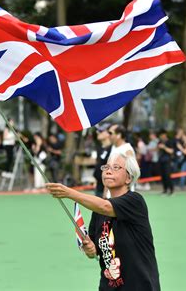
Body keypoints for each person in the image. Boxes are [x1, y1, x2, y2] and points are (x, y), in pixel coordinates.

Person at [46, 153, 161, 290]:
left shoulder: (135, 201)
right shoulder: (98, 212)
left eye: (116, 167)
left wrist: (70, 193)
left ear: (129, 178)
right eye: (106, 167)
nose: (108, 171)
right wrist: (90, 249)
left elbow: (105, 207)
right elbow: (94, 251)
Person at [93, 123, 112, 198]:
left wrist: (106, 190)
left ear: (108, 134)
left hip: (105, 188)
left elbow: (110, 170)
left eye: (101, 131)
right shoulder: (101, 148)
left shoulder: (112, 149)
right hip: (99, 186)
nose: (98, 132)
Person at [158, 129, 175, 195]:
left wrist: (164, 147)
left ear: (165, 135)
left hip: (167, 161)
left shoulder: (169, 141)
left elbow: (171, 151)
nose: (161, 136)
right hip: (161, 161)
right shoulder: (160, 142)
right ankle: (165, 190)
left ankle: (171, 190)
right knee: (163, 176)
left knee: (168, 176)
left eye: (162, 135)